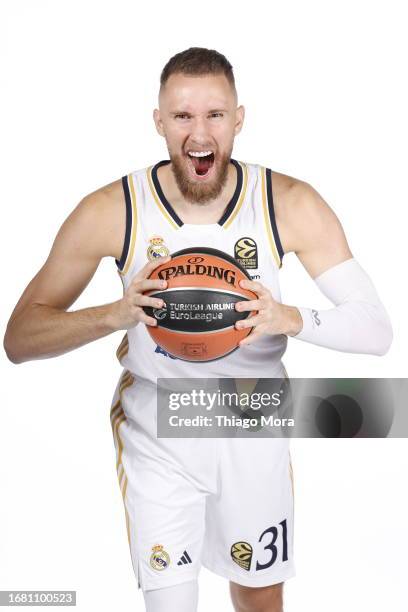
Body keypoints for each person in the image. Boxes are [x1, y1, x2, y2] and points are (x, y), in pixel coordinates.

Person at [3, 47, 393, 612]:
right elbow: (19, 338)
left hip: (252, 420)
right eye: (182, 116)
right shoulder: (112, 210)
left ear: (238, 119)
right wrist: (114, 313)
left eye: (214, 114)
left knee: (259, 599)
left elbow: (376, 330)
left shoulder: (288, 203)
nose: (198, 131)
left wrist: (290, 319)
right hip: (159, 428)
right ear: (158, 122)